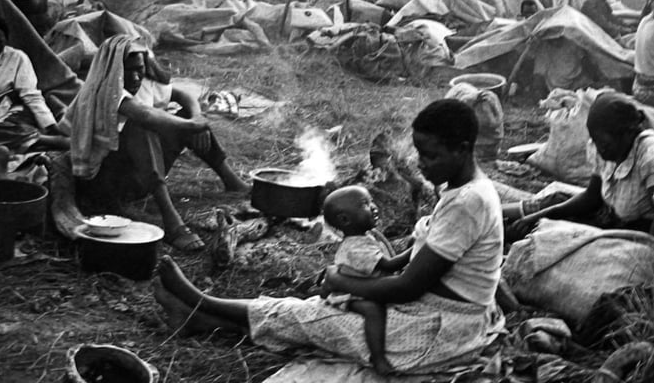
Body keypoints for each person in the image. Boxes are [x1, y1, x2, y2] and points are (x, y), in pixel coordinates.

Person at [153, 99, 505, 374]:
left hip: (439, 330)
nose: (421, 162)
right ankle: (200, 317)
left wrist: (340, 280)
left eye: (430, 155)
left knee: (313, 318)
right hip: (437, 312)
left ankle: (200, 303)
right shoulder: (463, 191)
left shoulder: (468, 202)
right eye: (419, 152)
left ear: (462, 148)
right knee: (315, 313)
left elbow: (407, 287)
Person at [59, 35, 250, 251]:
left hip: (136, 177)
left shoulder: (140, 84)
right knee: (141, 126)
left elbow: (183, 94)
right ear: (114, 71)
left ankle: (231, 180)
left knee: (184, 114)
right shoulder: (105, 90)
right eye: (128, 70)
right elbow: (145, 115)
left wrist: (195, 118)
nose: (135, 77)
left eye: (139, 69)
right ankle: (172, 223)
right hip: (103, 184)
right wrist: (194, 126)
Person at [505, 92, 654, 238]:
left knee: (556, 236)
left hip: (635, 233)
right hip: (609, 217)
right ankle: (497, 218)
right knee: (555, 203)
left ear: (627, 133)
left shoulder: (652, 155)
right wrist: (540, 216)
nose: (600, 150)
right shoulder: (603, 149)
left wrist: (652, 254)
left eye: (605, 144)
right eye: (596, 142)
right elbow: (592, 197)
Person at [322, 186, 402, 375]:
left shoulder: (368, 236)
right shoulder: (357, 246)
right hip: (348, 293)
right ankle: (378, 357)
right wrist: (418, 248)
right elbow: (389, 265)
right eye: (365, 204)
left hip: (363, 284)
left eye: (371, 201)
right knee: (373, 310)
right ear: (345, 220)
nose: (374, 207)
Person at [0, 16, 67, 153]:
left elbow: (31, 96)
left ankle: (49, 141)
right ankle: (29, 145)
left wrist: (51, 126)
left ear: (6, 41)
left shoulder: (18, 58)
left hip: (13, 112)